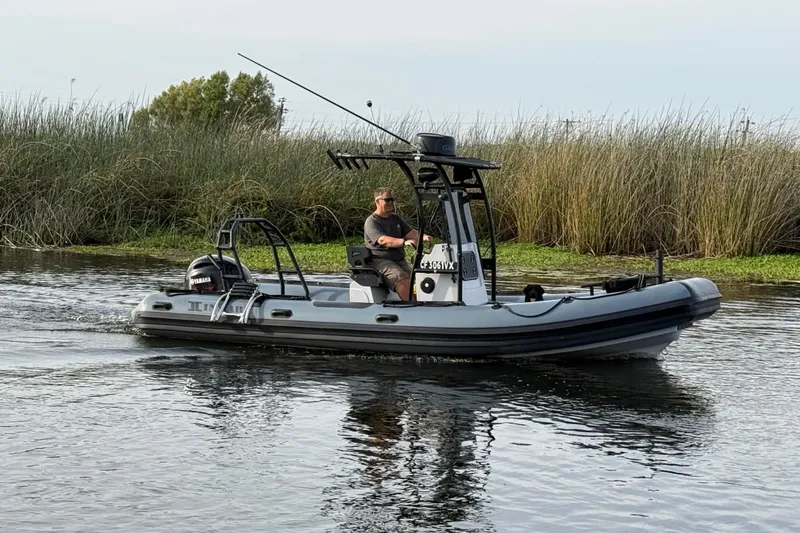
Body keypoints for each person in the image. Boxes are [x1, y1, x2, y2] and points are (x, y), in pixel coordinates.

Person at [364, 187, 431, 300]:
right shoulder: (372, 221)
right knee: (402, 280)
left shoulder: (395, 218)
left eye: (392, 200)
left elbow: (411, 233)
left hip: (399, 259)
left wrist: (423, 237)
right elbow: (382, 240)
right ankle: (413, 307)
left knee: (417, 279)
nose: (390, 203)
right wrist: (403, 242)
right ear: (377, 201)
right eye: (387, 200)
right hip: (380, 261)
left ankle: (425, 304)